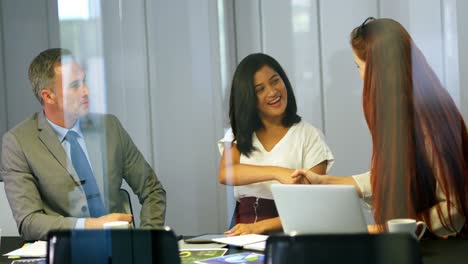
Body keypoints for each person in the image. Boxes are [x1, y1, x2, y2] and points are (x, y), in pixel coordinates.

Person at [293, 18, 468, 237]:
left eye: (359, 67)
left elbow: (455, 207)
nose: (359, 76)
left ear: (379, 71)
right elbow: (389, 175)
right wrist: (324, 181)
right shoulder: (401, 110)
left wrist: (388, 230)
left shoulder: (430, 118)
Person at [1, 48, 167, 240]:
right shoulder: (18, 143)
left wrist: (145, 241)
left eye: (84, 82)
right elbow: (29, 222)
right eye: (74, 85)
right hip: (65, 251)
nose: (86, 91)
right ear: (48, 96)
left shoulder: (110, 127)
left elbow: (152, 190)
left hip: (118, 249)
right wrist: (91, 225)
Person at [218, 53, 334, 235]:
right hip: (243, 227)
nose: (272, 92)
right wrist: (278, 173)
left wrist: (258, 227)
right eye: (260, 89)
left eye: (275, 81)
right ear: (248, 98)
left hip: (291, 230)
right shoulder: (237, 133)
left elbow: (312, 205)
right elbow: (226, 173)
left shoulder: (310, 134)